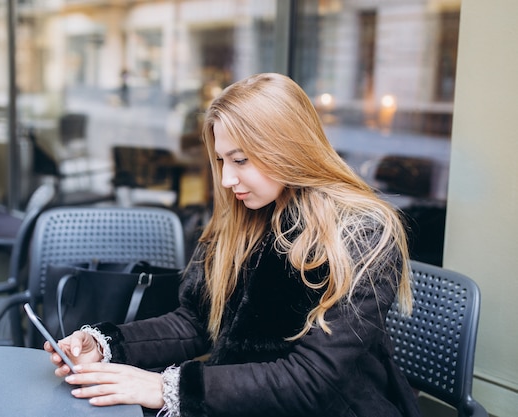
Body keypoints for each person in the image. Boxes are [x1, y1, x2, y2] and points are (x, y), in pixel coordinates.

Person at [45, 72, 422, 417]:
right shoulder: (244, 217)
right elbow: (196, 321)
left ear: (287, 149)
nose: (226, 179)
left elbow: (314, 379)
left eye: (240, 160)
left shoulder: (362, 234)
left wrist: (166, 387)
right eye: (222, 160)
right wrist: (106, 344)